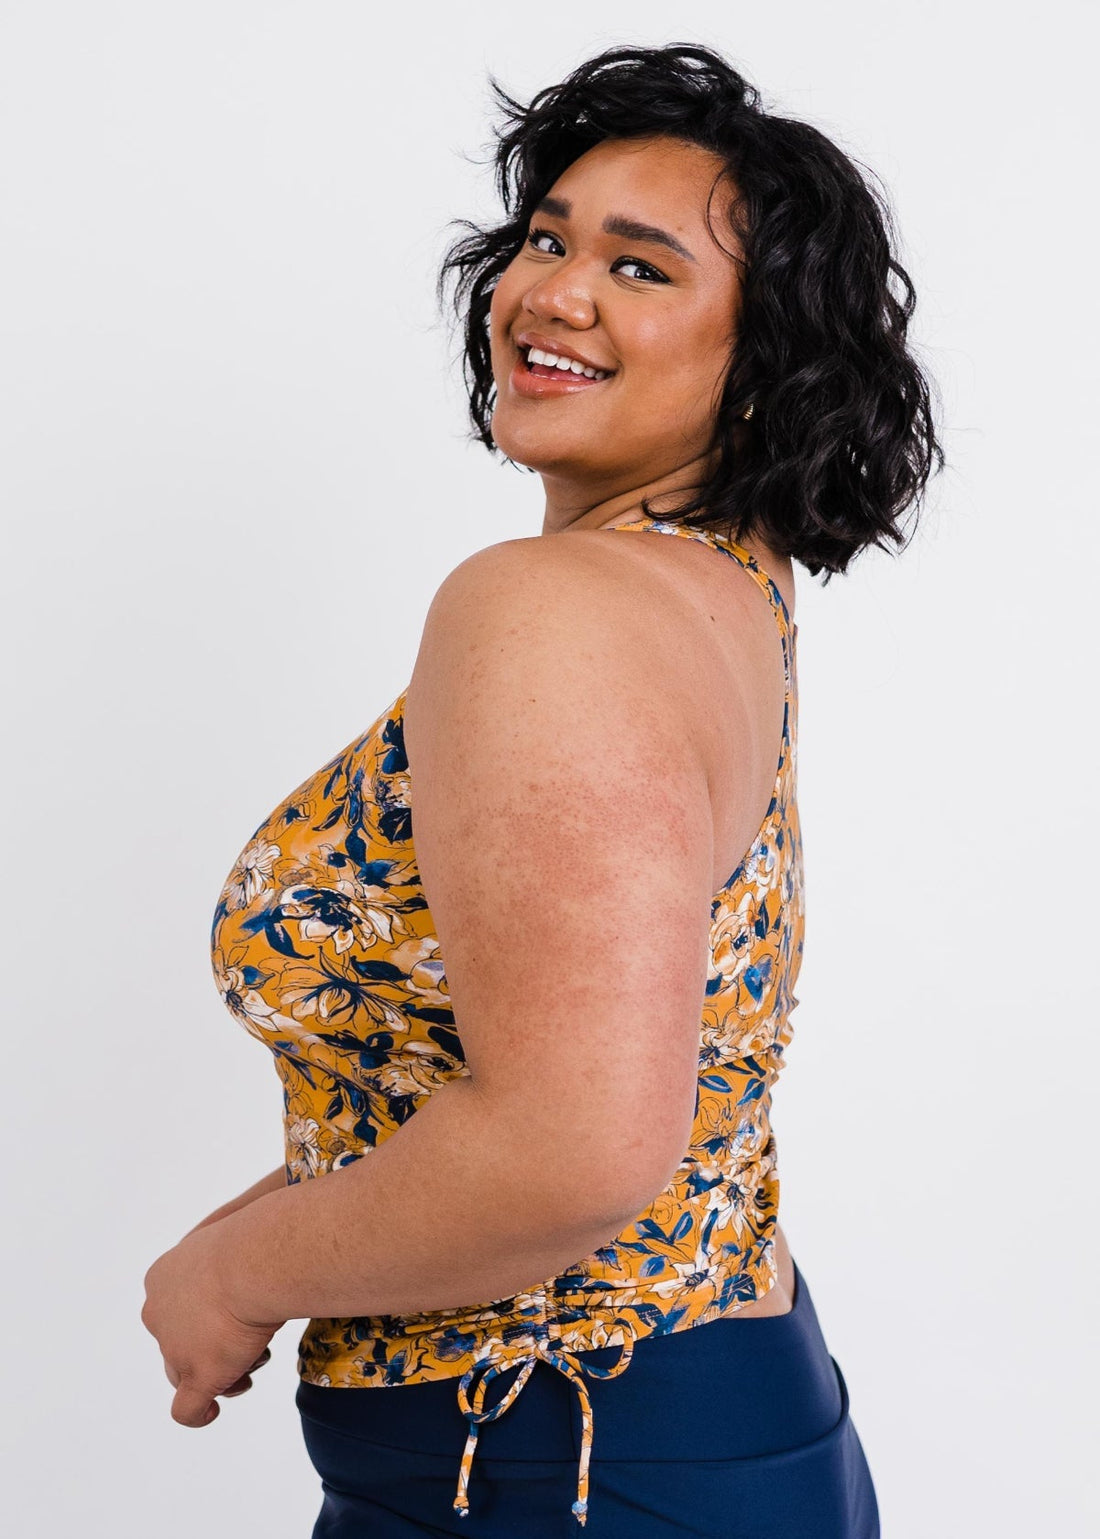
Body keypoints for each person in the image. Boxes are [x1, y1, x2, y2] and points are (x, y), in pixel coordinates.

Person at [141, 41, 942, 1538]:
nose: (551, 290)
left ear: (763, 362)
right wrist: (258, 1222)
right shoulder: (717, 592)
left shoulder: (549, 607)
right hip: (675, 1421)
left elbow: (572, 1148)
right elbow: (565, 1066)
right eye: (549, 237)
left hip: (559, 1456)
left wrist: (227, 1281)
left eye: (642, 270)